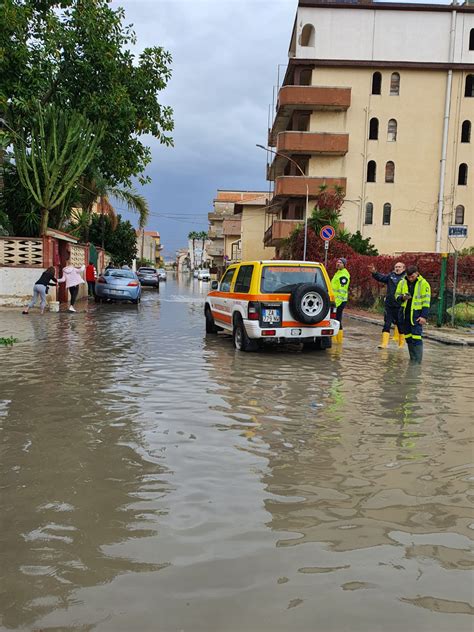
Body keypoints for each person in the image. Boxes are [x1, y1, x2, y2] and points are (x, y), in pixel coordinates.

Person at [395, 265, 431, 364]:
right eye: (409, 276)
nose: (410, 278)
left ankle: (417, 362)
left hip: (417, 314)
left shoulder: (424, 284)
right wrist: (402, 297)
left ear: (417, 273)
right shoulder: (402, 282)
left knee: (416, 337)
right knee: (408, 337)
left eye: (412, 276)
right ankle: (413, 359)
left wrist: (424, 316)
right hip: (405, 314)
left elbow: (426, 301)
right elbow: (396, 296)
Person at [370, 261, 406, 349]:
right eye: (396, 267)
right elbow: (381, 278)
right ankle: (384, 344)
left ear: (403, 268)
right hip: (389, 304)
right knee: (387, 324)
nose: (397, 268)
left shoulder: (406, 278)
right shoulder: (391, 276)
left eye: (399, 267)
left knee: (400, 325)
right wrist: (374, 272)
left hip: (400, 305)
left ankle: (401, 345)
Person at [331, 257, 350, 344]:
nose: (338, 264)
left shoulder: (344, 275)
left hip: (339, 301)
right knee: (335, 320)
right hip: (335, 300)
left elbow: (342, 291)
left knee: (337, 320)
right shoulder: (338, 273)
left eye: (340, 263)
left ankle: (338, 341)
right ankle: (335, 340)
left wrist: (337, 303)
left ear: (344, 265)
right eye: (337, 262)